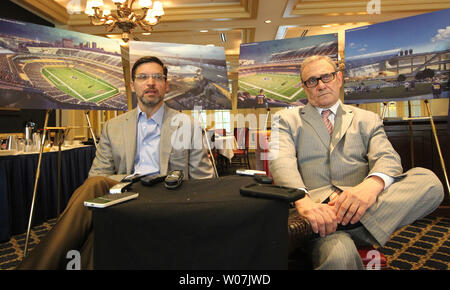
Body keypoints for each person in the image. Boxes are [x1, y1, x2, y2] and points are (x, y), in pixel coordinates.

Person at [17, 56, 214, 270]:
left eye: (157, 77)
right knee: (94, 187)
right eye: (143, 77)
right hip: (124, 193)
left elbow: (204, 180)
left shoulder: (188, 125)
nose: (150, 83)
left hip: (166, 195)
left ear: (166, 85)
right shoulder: (114, 126)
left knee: (96, 232)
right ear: (132, 85)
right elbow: (97, 175)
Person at [269, 55, 444, 270]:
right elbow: (281, 161)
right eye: (312, 81)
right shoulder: (285, 119)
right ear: (305, 87)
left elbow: (387, 158)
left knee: (430, 182)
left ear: (339, 78)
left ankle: (330, 225)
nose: (321, 85)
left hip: (361, 206)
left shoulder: (367, 119)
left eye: (327, 77)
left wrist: (368, 189)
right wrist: (304, 204)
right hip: (316, 213)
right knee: (339, 259)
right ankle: (334, 226)